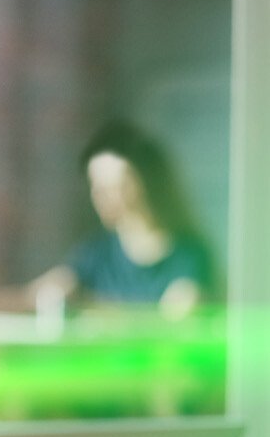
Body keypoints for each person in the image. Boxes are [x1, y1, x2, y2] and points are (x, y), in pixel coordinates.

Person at [31, 120, 215, 320]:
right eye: (98, 187)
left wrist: (89, 310)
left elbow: (175, 318)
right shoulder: (96, 253)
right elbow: (47, 290)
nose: (103, 197)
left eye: (116, 187)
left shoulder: (188, 256)